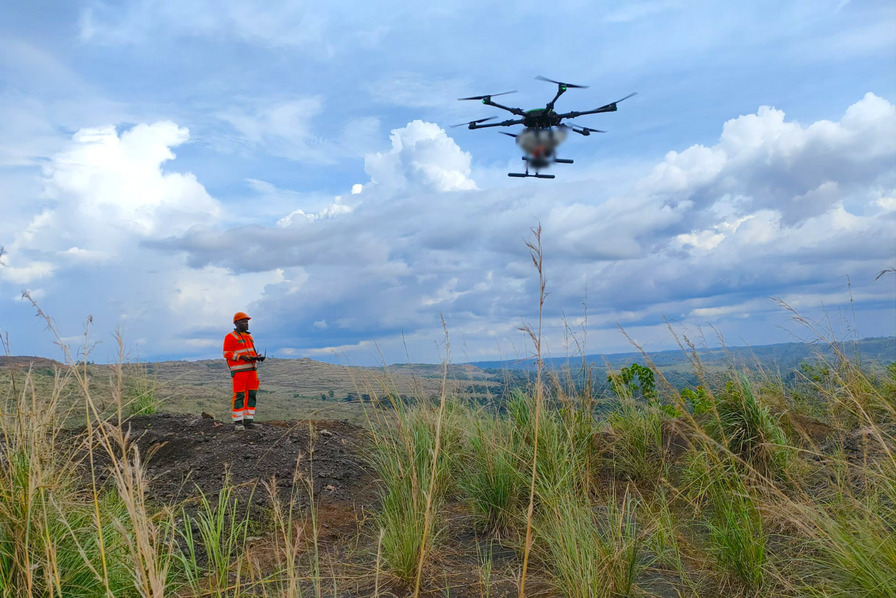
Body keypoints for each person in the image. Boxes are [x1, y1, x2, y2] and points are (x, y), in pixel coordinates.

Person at [222, 312, 265, 431]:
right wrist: (241, 357)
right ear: (236, 323)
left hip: (252, 370)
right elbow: (226, 353)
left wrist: (257, 356)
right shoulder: (230, 337)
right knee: (239, 395)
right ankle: (238, 422)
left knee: (251, 394)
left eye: (247, 321)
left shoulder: (249, 337)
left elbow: (251, 351)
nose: (246, 324)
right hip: (239, 371)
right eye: (243, 321)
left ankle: (249, 420)